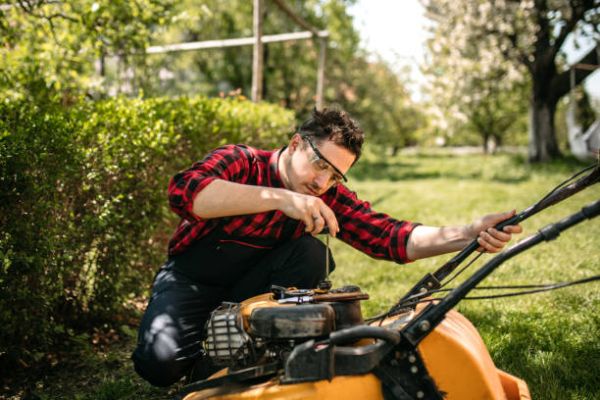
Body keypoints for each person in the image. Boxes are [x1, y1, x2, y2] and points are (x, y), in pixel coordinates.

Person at [131, 107, 522, 387]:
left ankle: (235, 361)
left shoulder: (327, 195)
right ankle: (208, 351)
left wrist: (468, 232)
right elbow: (185, 192)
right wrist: (280, 199)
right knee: (160, 366)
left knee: (311, 254)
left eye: (336, 177)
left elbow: (390, 237)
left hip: (253, 290)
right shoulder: (242, 161)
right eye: (320, 165)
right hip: (192, 279)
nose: (323, 184)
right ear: (296, 143)